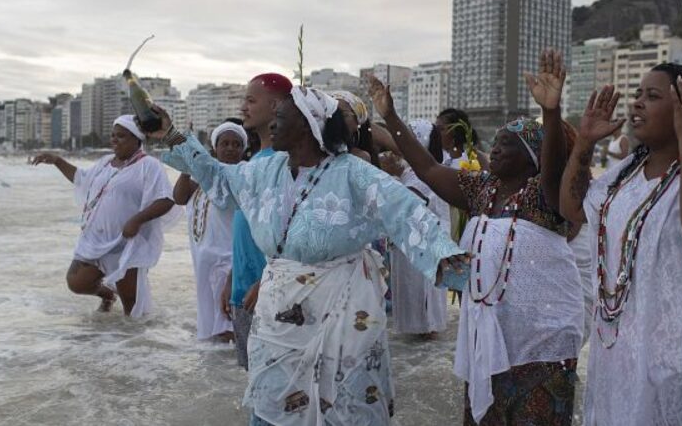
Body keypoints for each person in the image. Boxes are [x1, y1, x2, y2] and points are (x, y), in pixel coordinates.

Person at [153, 85, 468, 426]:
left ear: (308, 125)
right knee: (272, 404)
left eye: (280, 117)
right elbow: (216, 176)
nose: (273, 125)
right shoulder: (264, 170)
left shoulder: (354, 173)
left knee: (343, 408)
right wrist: (170, 134)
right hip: (277, 318)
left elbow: (407, 214)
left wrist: (459, 270)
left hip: (343, 313)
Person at [370, 48, 584, 425]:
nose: (495, 148)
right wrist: (390, 116)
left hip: (540, 345)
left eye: (508, 144)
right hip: (487, 339)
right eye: (496, 141)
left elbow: (554, 167)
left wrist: (551, 112)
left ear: (532, 156)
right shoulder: (480, 190)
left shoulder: (544, 195)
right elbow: (426, 166)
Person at [559, 64, 682, 425]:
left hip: (677, 366)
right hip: (619, 357)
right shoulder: (623, 175)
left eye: (652, 97)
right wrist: (584, 142)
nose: (637, 105)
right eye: (637, 95)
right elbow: (571, 210)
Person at [32, 115, 178, 317]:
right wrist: (57, 161)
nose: (114, 140)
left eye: (121, 136)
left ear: (136, 139)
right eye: (113, 136)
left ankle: (131, 347)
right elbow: (82, 179)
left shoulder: (148, 165)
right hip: (95, 240)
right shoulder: (105, 163)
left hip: (125, 245)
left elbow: (166, 199)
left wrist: (137, 220)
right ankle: (108, 295)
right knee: (76, 282)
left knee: (132, 310)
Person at [221, 73, 293, 370]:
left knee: (276, 389)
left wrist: (265, 281)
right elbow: (248, 230)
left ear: (275, 105)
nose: (243, 107)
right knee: (253, 385)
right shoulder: (254, 161)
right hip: (243, 292)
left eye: (251, 100)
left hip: (269, 293)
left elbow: (291, 232)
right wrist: (231, 278)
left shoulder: (284, 162)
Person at [174, 120, 247, 341]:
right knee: (210, 331)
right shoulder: (205, 178)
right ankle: (217, 375)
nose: (230, 148)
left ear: (243, 149)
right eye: (225, 143)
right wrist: (187, 168)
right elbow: (179, 197)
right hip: (205, 262)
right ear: (215, 148)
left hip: (228, 261)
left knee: (226, 329)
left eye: (236, 144)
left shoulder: (240, 176)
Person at [379, 120, 450, 338]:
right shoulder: (412, 169)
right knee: (411, 293)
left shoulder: (425, 171)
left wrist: (396, 175)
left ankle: (426, 332)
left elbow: (410, 202)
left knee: (422, 296)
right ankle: (418, 333)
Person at [329, 90, 378, 166]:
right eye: (332, 113)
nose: (336, 118)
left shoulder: (360, 158)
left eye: (343, 114)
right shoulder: (313, 154)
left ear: (356, 122)